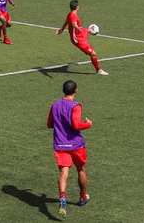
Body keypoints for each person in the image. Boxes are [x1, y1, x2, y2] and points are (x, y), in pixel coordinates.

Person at [47, 80, 92, 219]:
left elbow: (49, 124)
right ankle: (83, 196)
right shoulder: (75, 106)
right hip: (76, 145)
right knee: (81, 170)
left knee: (63, 173)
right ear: (76, 90)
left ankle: (62, 197)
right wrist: (88, 124)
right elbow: (77, 125)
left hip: (60, 144)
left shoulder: (55, 105)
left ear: (63, 91)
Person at [56, 0, 108, 75]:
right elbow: (74, 24)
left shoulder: (70, 14)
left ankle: (91, 32)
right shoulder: (73, 16)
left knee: (88, 30)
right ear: (77, 7)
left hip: (80, 34)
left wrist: (62, 29)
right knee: (93, 54)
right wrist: (78, 28)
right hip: (78, 39)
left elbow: (66, 22)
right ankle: (98, 70)